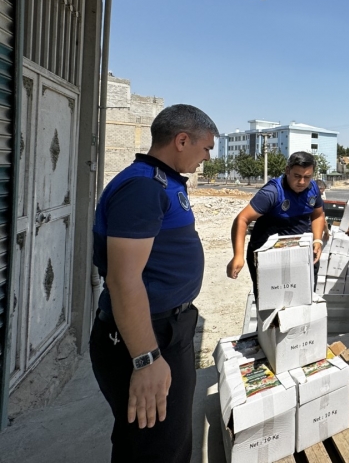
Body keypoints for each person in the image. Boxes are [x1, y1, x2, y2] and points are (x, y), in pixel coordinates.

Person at [90, 104, 218, 463]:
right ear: (181, 140)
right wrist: (146, 359)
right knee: (161, 447)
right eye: (206, 148)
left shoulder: (162, 182)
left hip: (167, 327)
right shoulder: (143, 188)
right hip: (148, 334)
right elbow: (123, 279)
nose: (207, 157)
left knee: (149, 440)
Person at [227, 151, 326, 291]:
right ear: (287, 170)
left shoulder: (313, 188)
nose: (302, 182)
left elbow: (318, 215)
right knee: (272, 306)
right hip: (269, 256)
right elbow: (242, 219)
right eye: (297, 176)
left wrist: (317, 240)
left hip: (300, 253)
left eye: (307, 177)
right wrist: (238, 255)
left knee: (304, 300)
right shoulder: (272, 193)